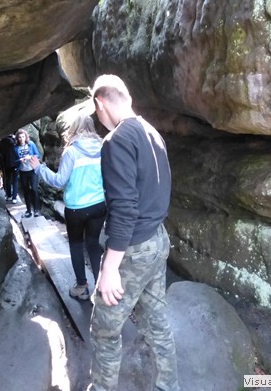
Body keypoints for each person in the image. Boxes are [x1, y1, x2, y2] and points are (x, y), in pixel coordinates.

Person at [88, 74, 179, 391]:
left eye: (96, 111)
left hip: (134, 248)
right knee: (157, 322)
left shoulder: (117, 141)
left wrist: (109, 268)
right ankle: (168, 386)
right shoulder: (152, 133)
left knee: (104, 330)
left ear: (100, 103)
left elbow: (124, 209)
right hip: (158, 239)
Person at [30, 113, 106, 300]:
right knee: (93, 245)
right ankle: (100, 289)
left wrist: (39, 168)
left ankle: (82, 287)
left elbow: (59, 181)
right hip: (98, 205)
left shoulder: (71, 151)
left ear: (74, 128)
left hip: (76, 208)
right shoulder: (103, 147)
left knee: (76, 245)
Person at [14, 129, 41, 217]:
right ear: (17, 138)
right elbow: (14, 160)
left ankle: (36, 210)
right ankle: (28, 210)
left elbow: (38, 155)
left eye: (23, 137)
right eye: (20, 137)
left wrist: (30, 156)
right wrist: (19, 160)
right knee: (26, 191)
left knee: (34, 189)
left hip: (32, 170)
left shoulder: (31, 144)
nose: (22, 139)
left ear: (26, 137)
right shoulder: (15, 148)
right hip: (23, 172)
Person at [0, 134, 19, 203]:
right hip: (15, 163)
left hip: (6, 164)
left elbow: (0, 155)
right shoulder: (14, 141)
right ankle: (14, 197)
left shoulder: (2, 142)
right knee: (15, 180)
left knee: (8, 179)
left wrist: (2, 164)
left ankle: (9, 195)